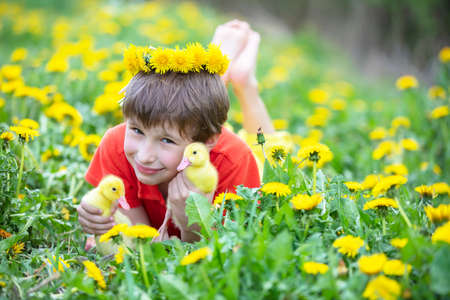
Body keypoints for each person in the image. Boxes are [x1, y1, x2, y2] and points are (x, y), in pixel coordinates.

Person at [77, 20, 274, 244]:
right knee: (186, 115)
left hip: (231, 155)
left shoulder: (234, 160)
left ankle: (244, 81)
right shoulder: (116, 144)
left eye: (166, 140)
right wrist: (101, 224)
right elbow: (142, 244)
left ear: (209, 141)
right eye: (136, 130)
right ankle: (219, 66)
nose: (144, 155)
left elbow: (222, 252)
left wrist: (193, 222)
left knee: (272, 155)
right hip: (191, 132)